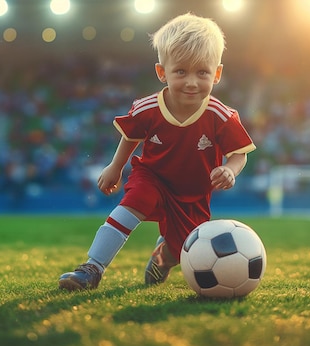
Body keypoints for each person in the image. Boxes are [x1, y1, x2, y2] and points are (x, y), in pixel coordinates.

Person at [58, 13, 256, 290]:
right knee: (131, 206)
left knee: (182, 247)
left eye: (202, 72)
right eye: (180, 71)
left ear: (217, 74)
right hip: (152, 176)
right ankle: (92, 268)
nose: (191, 82)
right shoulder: (147, 108)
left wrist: (230, 169)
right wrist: (115, 167)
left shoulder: (220, 115)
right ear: (162, 72)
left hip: (194, 192)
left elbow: (240, 153)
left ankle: (161, 257)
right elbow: (131, 137)